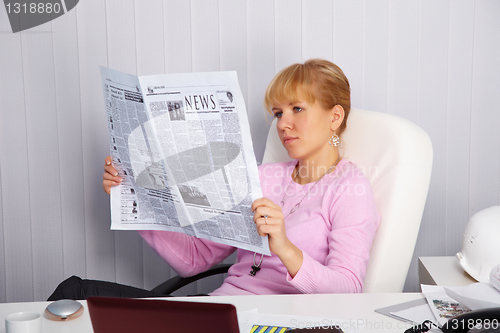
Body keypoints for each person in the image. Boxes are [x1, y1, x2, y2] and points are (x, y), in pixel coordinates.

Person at [50, 59, 379, 300]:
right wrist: (132, 198)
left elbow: (348, 288)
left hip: (274, 322)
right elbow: (194, 260)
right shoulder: (263, 177)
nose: (282, 124)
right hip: (220, 310)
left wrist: (285, 248)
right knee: (73, 293)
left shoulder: (350, 189)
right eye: (279, 113)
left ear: (334, 116)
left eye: (297, 109)